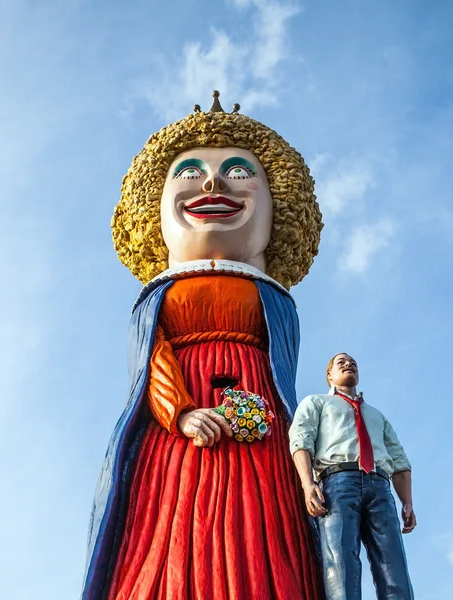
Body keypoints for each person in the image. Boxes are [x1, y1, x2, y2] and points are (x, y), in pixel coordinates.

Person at [81, 92, 325, 600]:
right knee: (169, 544)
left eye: (238, 172)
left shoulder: (273, 300)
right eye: (189, 171)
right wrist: (180, 413)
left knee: (265, 547)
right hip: (174, 441)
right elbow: (153, 360)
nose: (212, 182)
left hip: (265, 442)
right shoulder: (159, 299)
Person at [289, 353, 416, 600]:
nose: (349, 365)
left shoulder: (377, 416)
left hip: (380, 485)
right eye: (341, 363)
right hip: (338, 482)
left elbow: (399, 460)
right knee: (340, 559)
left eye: (354, 364)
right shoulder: (316, 403)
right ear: (329, 375)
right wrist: (308, 483)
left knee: (392, 561)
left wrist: (407, 501)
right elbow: (301, 440)